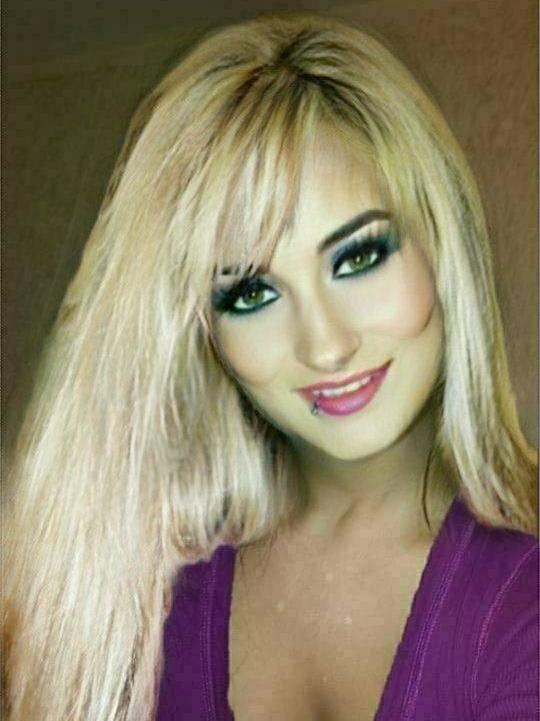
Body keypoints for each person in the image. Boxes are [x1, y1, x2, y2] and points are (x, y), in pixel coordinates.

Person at [2, 10, 537, 721]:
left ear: (442, 242)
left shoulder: (521, 593)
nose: (325, 346)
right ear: (203, 331)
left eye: (359, 256)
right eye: (252, 293)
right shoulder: (142, 603)